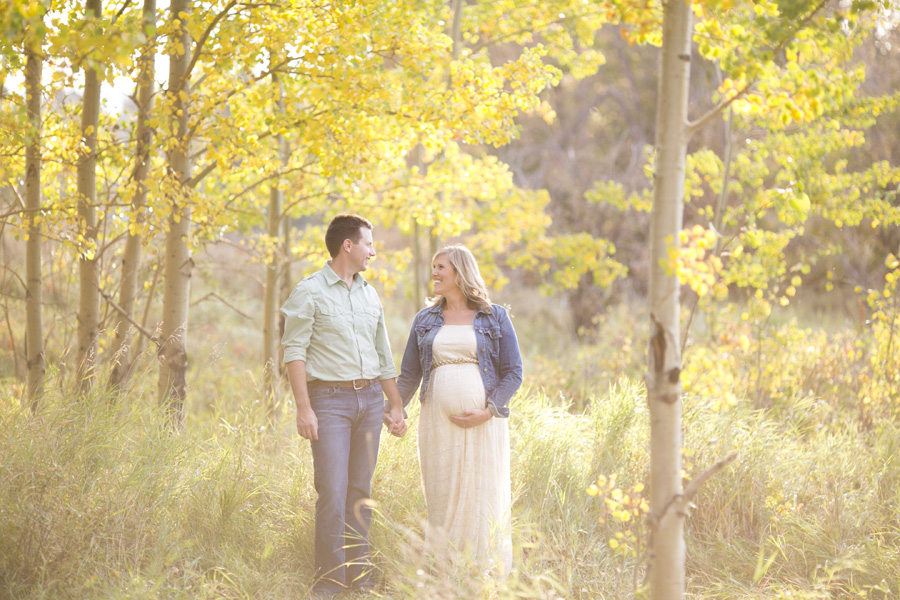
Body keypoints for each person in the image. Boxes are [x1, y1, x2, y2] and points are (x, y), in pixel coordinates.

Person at [281, 213, 407, 598]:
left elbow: (383, 355)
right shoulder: (309, 291)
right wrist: (305, 409)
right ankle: (331, 581)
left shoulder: (370, 293)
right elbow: (294, 352)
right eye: (369, 243)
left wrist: (396, 405)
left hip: (370, 401)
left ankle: (361, 577)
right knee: (333, 492)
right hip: (329, 402)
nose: (374, 250)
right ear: (347, 246)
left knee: (360, 490)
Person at [397, 245, 523, 573]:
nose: (434, 273)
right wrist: (395, 409)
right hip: (437, 423)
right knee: (442, 495)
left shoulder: (494, 316)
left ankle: (480, 573)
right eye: (434, 267)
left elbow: (514, 371)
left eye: (442, 267)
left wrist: (489, 410)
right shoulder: (424, 320)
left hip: (483, 422)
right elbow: (409, 374)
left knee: (480, 493)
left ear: (460, 272)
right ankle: (446, 572)